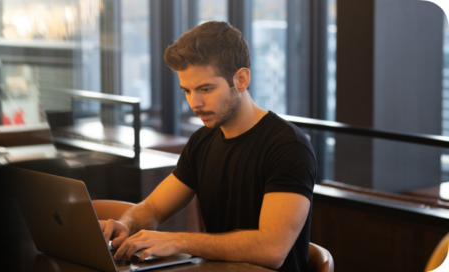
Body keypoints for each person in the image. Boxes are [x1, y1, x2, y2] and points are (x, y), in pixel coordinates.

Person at [99, 21, 316, 271]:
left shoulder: (289, 146)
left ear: (241, 79)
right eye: (187, 91)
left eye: (206, 88)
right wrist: (126, 223)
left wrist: (179, 240)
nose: (195, 103)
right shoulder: (202, 141)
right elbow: (154, 207)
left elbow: (271, 249)